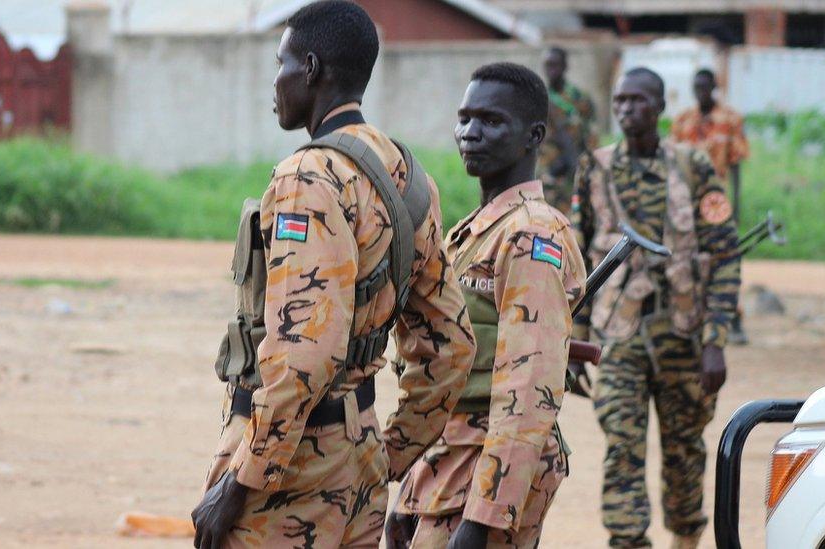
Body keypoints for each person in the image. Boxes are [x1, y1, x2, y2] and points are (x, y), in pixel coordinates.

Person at [190, 3, 476, 548]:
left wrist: (243, 478)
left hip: (292, 468)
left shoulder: (308, 177)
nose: (274, 82)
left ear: (313, 69)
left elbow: (304, 353)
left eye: (282, 63)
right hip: (361, 454)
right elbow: (453, 343)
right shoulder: (408, 175)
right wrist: (391, 450)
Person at [387, 62, 587, 549]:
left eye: (491, 121)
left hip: (491, 464)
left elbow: (528, 388)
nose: (470, 133)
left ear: (534, 135)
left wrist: (484, 518)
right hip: (451, 455)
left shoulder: (531, 234)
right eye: (464, 118)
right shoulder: (476, 230)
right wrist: (411, 490)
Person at [570, 67, 741, 549]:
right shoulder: (596, 166)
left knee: (685, 450)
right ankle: (628, 541)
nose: (626, 109)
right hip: (617, 336)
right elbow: (579, 257)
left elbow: (725, 254)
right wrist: (574, 341)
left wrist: (716, 342)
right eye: (620, 100)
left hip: (683, 334)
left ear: (661, 107)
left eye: (638, 100)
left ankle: (685, 539)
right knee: (622, 447)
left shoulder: (693, 166)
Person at [672, 68, 750, 344]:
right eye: (697, 87)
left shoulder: (730, 120)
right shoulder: (682, 121)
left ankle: (732, 317)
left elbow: (736, 165)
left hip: (716, 202)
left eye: (706, 87)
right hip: (685, 202)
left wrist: (736, 206)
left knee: (723, 257)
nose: (701, 92)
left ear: (714, 87)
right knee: (686, 256)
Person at [537, 46, 599, 219]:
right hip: (546, 172)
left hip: (574, 170)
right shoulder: (538, 97)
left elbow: (592, 135)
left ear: (565, 66)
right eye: (547, 65)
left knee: (574, 222)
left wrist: (587, 165)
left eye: (555, 65)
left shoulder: (580, 99)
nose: (551, 70)